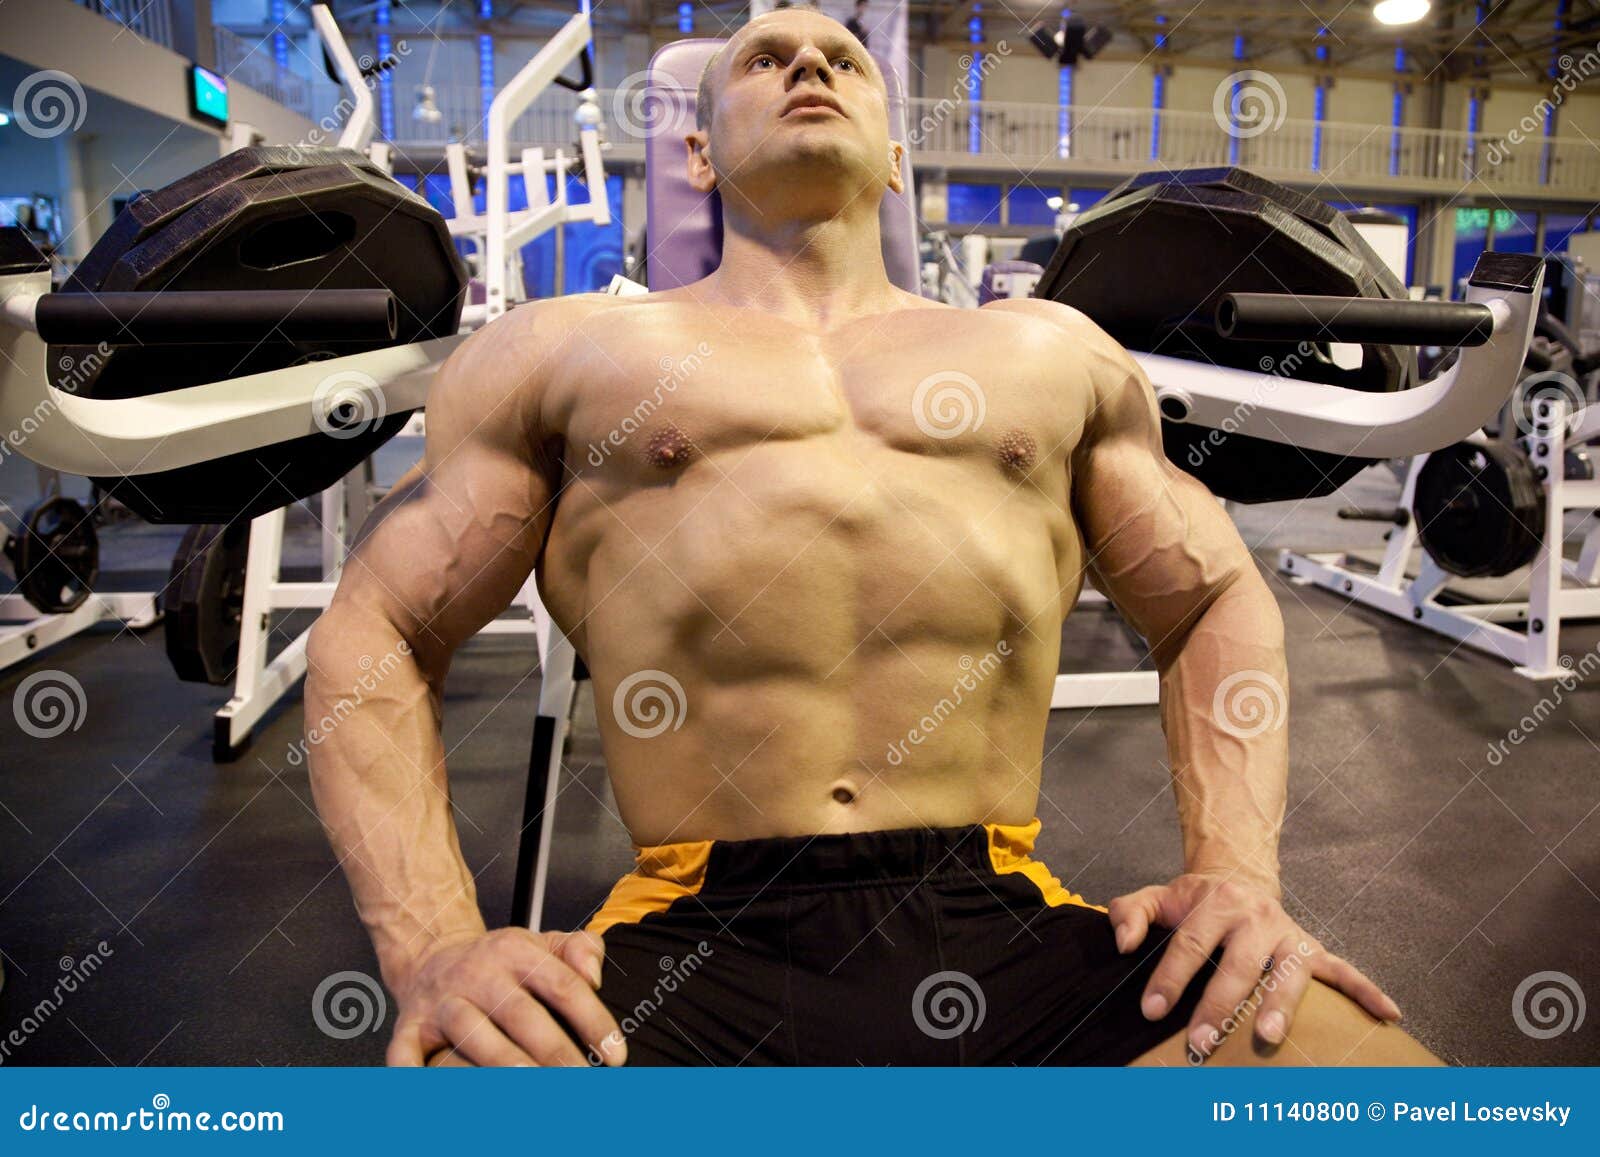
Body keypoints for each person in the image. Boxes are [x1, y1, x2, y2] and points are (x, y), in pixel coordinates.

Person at [304, 7, 1438, 1067]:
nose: (810, 67)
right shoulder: (563, 350)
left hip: (1000, 913)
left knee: (1367, 1067)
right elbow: (380, 625)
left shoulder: (1048, 350)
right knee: (454, 1083)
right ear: (697, 155)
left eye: (845, 61)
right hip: (687, 934)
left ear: (895, 155)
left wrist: (1237, 872)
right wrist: (435, 944)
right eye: (765, 58)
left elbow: (1208, 599)